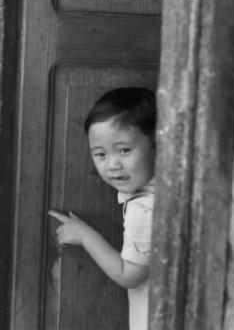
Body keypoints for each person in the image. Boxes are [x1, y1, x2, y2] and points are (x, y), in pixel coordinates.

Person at [49, 87, 156, 330]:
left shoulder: (144, 210)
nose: (112, 165)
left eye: (124, 150)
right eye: (100, 154)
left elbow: (129, 275)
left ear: (157, 143)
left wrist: (86, 236)